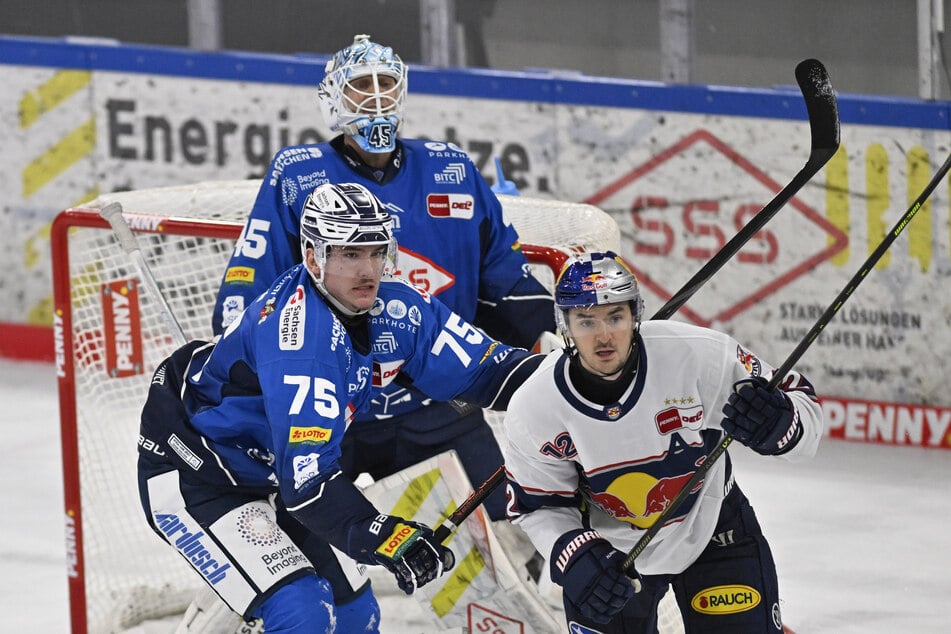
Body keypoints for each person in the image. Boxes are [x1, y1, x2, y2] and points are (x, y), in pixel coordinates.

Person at [138, 183, 542, 633]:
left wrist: (571, 381)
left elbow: (487, 372)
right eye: (350, 254)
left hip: (274, 472)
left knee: (355, 614)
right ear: (313, 258)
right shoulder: (301, 346)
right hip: (201, 475)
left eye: (376, 251)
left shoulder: (395, 306)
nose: (368, 269)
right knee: (302, 611)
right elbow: (308, 486)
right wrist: (388, 537)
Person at [211, 34, 555, 522]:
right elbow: (248, 291)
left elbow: (504, 275)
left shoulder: (451, 169)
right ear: (332, 99)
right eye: (359, 87)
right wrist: (241, 374)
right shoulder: (297, 175)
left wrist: (547, 330)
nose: (375, 97)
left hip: (439, 405)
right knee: (295, 540)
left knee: (514, 534)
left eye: (386, 83)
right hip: (331, 408)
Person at [502, 251, 824, 632]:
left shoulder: (700, 356)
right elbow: (539, 506)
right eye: (586, 321)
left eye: (615, 318)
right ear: (565, 326)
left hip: (713, 530)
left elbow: (803, 405)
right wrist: (575, 557)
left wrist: (781, 424)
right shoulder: (535, 407)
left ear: (635, 316)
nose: (604, 336)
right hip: (612, 556)